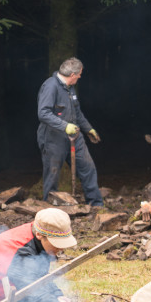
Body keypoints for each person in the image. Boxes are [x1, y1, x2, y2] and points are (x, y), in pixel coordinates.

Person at [37, 57, 103, 207]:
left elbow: (77, 112)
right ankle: (49, 209)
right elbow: (43, 113)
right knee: (52, 174)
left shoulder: (70, 88)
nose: (80, 77)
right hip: (53, 138)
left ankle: (96, 205)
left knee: (88, 167)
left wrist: (88, 129)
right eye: (79, 74)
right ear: (72, 74)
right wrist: (64, 125)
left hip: (74, 136)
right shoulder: (50, 86)